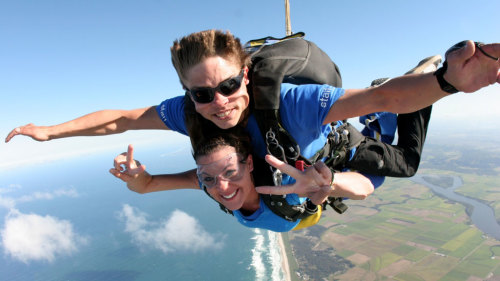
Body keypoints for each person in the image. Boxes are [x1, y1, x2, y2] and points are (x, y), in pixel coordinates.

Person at [5, 30, 499, 183]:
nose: (217, 103)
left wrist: (447, 82)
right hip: (323, 143)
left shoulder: (292, 102)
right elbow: (120, 118)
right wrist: (50, 132)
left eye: (226, 87)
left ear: (246, 75)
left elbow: (382, 98)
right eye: (201, 93)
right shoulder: (188, 113)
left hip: (340, 143)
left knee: (406, 164)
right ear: (187, 93)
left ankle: (423, 73)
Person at [110, 131, 375, 232]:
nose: (220, 187)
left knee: (403, 163)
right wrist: (137, 176)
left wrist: (325, 183)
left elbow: (364, 189)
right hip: (305, 213)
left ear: (249, 164)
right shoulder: (206, 182)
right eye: (208, 177)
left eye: (230, 173)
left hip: (354, 167)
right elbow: (146, 185)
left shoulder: (286, 188)